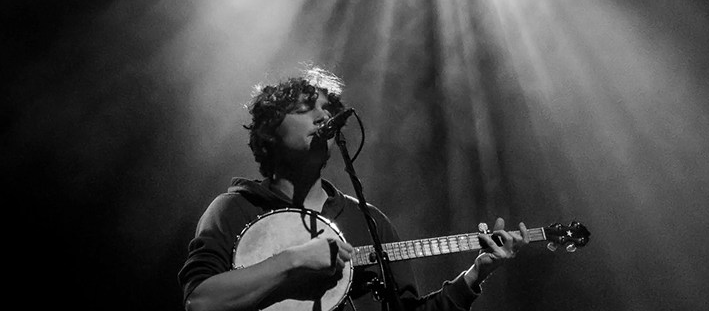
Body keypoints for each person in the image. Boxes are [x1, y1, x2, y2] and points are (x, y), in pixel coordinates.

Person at [178, 66, 528, 311]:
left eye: (325, 109)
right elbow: (201, 301)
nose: (321, 116)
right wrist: (296, 259)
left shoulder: (369, 221)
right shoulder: (234, 209)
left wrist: (475, 275)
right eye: (304, 109)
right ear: (268, 132)